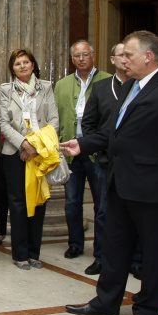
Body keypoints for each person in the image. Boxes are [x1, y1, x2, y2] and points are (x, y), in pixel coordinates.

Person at [63, 31, 158, 315]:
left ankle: (147, 310)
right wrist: (84, 144)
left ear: (148, 57)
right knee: (115, 249)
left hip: (153, 188)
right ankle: (106, 302)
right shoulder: (130, 86)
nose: (122, 60)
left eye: (128, 55)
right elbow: (116, 131)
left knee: (154, 255)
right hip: (121, 183)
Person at [0, 49, 58, 270]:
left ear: (33, 64)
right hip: (15, 153)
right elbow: (3, 123)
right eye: (17, 63)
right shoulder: (5, 91)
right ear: (12, 68)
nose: (22, 66)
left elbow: (53, 121)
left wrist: (36, 147)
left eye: (26, 62)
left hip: (40, 153)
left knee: (39, 202)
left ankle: (34, 253)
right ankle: (20, 254)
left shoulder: (47, 88)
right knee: (18, 203)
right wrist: (24, 144)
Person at [54, 40, 111, 259]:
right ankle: (75, 243)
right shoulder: (62, 85)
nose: (81, 59)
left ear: (93, 56)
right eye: (77, 56)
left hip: (96, 151)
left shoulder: (108, 81)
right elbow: (56, 117)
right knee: (72, 202)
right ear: (72, 59)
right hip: (70, 150)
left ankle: (101, 250)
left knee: (102, 204)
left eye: (85, 55)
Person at [81, 43, 133, 276]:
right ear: (113, 59)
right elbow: (89, 123)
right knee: (103, 210)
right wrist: (94, 149)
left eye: (129, 55)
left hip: (134, 162)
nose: (125, 59)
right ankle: (101, 257)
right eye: (121, 55)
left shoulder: (140, 88)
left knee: (134, 212)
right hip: (105, 161)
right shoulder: (102, 88)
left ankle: (137, 260)